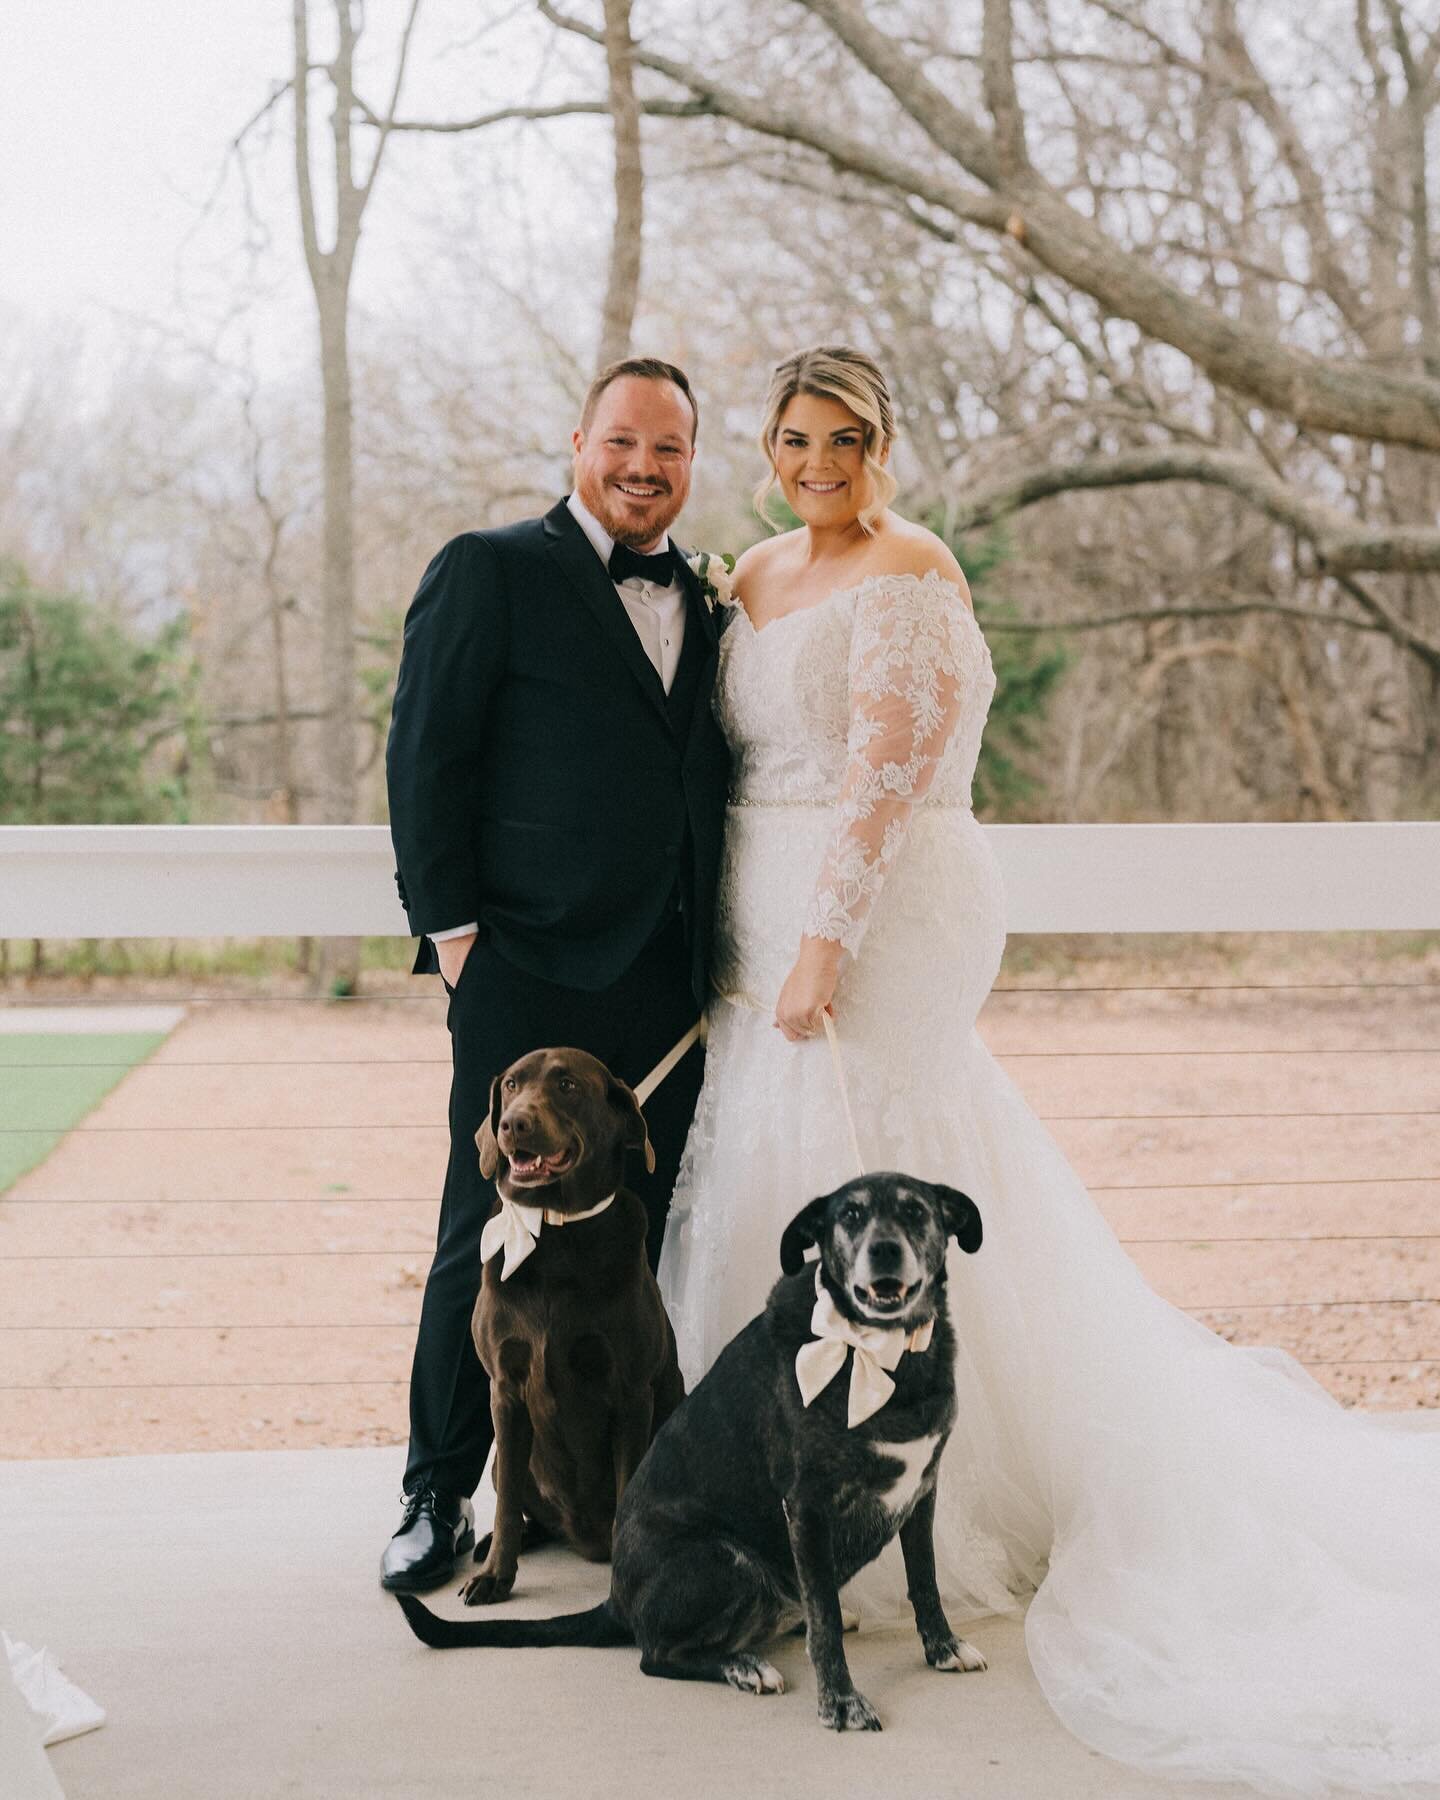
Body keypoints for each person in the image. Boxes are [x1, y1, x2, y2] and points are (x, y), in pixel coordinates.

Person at [658, 343, 1440, 1788]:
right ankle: (767, 1490)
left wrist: (826, 942)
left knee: (881, 1158)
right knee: (778, 1160)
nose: (815, 462)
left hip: (879, 916)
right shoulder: (755, 574)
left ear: (882, 441)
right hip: (751, 923)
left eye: (841, 437)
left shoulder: (911, 564)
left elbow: (889, 766)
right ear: (765, 449)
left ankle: (924, 1502)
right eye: (791, 439)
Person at [382, 357, 730, 1593]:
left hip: (665, 990)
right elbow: (427, 752)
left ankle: (627, 1496)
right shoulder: (491, 569)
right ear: (578, 439)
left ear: (694, 462)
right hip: (525, 973)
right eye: (624, 442)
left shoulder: (713, 595)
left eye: (671, 450)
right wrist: (456, 934)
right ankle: (437, 1496)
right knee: (482, 1232)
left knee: (634, 1236)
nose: (644, 468)